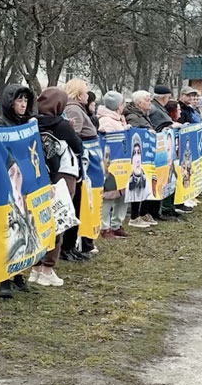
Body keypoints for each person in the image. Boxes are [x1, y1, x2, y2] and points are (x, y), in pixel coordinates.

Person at [29, 87, 82, 288]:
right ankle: (48, 269)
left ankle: (35, 267)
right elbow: (77, 146)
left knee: (39, 219)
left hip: (40, 175)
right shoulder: (61, 125)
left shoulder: (31, 123)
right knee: (58, 219)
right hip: (63, 175)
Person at [0, 83, 38, 297]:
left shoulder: (27, 123)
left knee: (24, 226)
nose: (23, 104)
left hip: (24, 180)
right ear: (10, 102)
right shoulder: (0, 123)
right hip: (7, 179)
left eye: (25, 100)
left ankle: (19, 275)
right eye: (19, 100)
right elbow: (0, 150)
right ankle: (4, 281)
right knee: (7, 229)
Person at [62, 79, 98, 260]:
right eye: (85, 92)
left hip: (82, 163)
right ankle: (66, 247)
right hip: (77, 164)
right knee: (75, 203)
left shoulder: (78, 109)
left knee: (80, 203)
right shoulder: (73, 109)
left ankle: (70, 246)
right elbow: (72, 137)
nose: (87, 95)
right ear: (78, 95)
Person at [97, 91, 132, 236]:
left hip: (124, 163)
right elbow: (107, 138)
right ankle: (105, 226)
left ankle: (117, 224)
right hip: (111, 164)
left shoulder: (119, 119)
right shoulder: (106, 119)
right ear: (118, 105)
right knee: (109, 196)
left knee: (123, 195)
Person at [124, 91, 159, 226]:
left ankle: (144, 213)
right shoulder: (133, 116)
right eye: (147, 100)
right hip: (138, 155)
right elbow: (135, 132)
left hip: (147, 154)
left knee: (148, 182)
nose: (150, 102)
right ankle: (134, 216)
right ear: (139, 103)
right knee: (138, 183)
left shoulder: (144, 115)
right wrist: (146, 132)